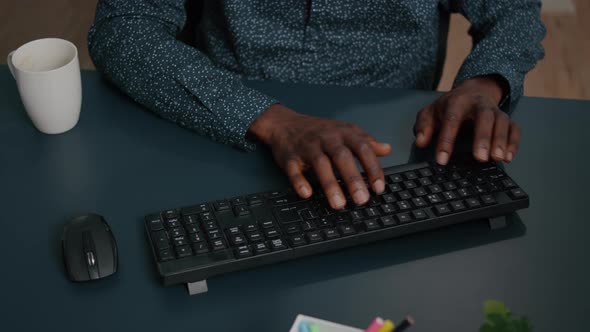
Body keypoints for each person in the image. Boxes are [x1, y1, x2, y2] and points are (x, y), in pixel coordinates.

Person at [88, 0, 545, 209]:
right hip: (225, 129)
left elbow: (514, 9)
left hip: (397, 148)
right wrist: (271, 120)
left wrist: (481, 86)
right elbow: (124, 27)